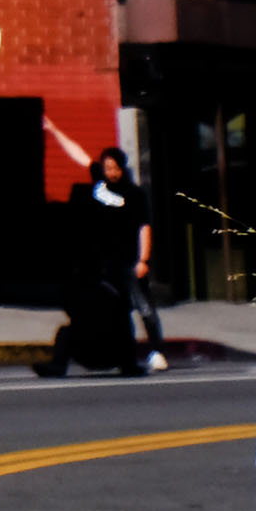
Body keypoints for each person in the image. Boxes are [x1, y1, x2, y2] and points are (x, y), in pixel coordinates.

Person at [37, 144, 160, 379]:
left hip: (126, 261)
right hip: (101, 263)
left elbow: (143, 227)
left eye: (114, 168)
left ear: (123, 168)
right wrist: (53, 131)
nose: (110, 172)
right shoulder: (98, 187)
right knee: (87, 315)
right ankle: (58, 366)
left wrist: (143, 259)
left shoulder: (133, 195)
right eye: (107, 168)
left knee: (137, 309)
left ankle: (150, 354)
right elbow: (81, 156)